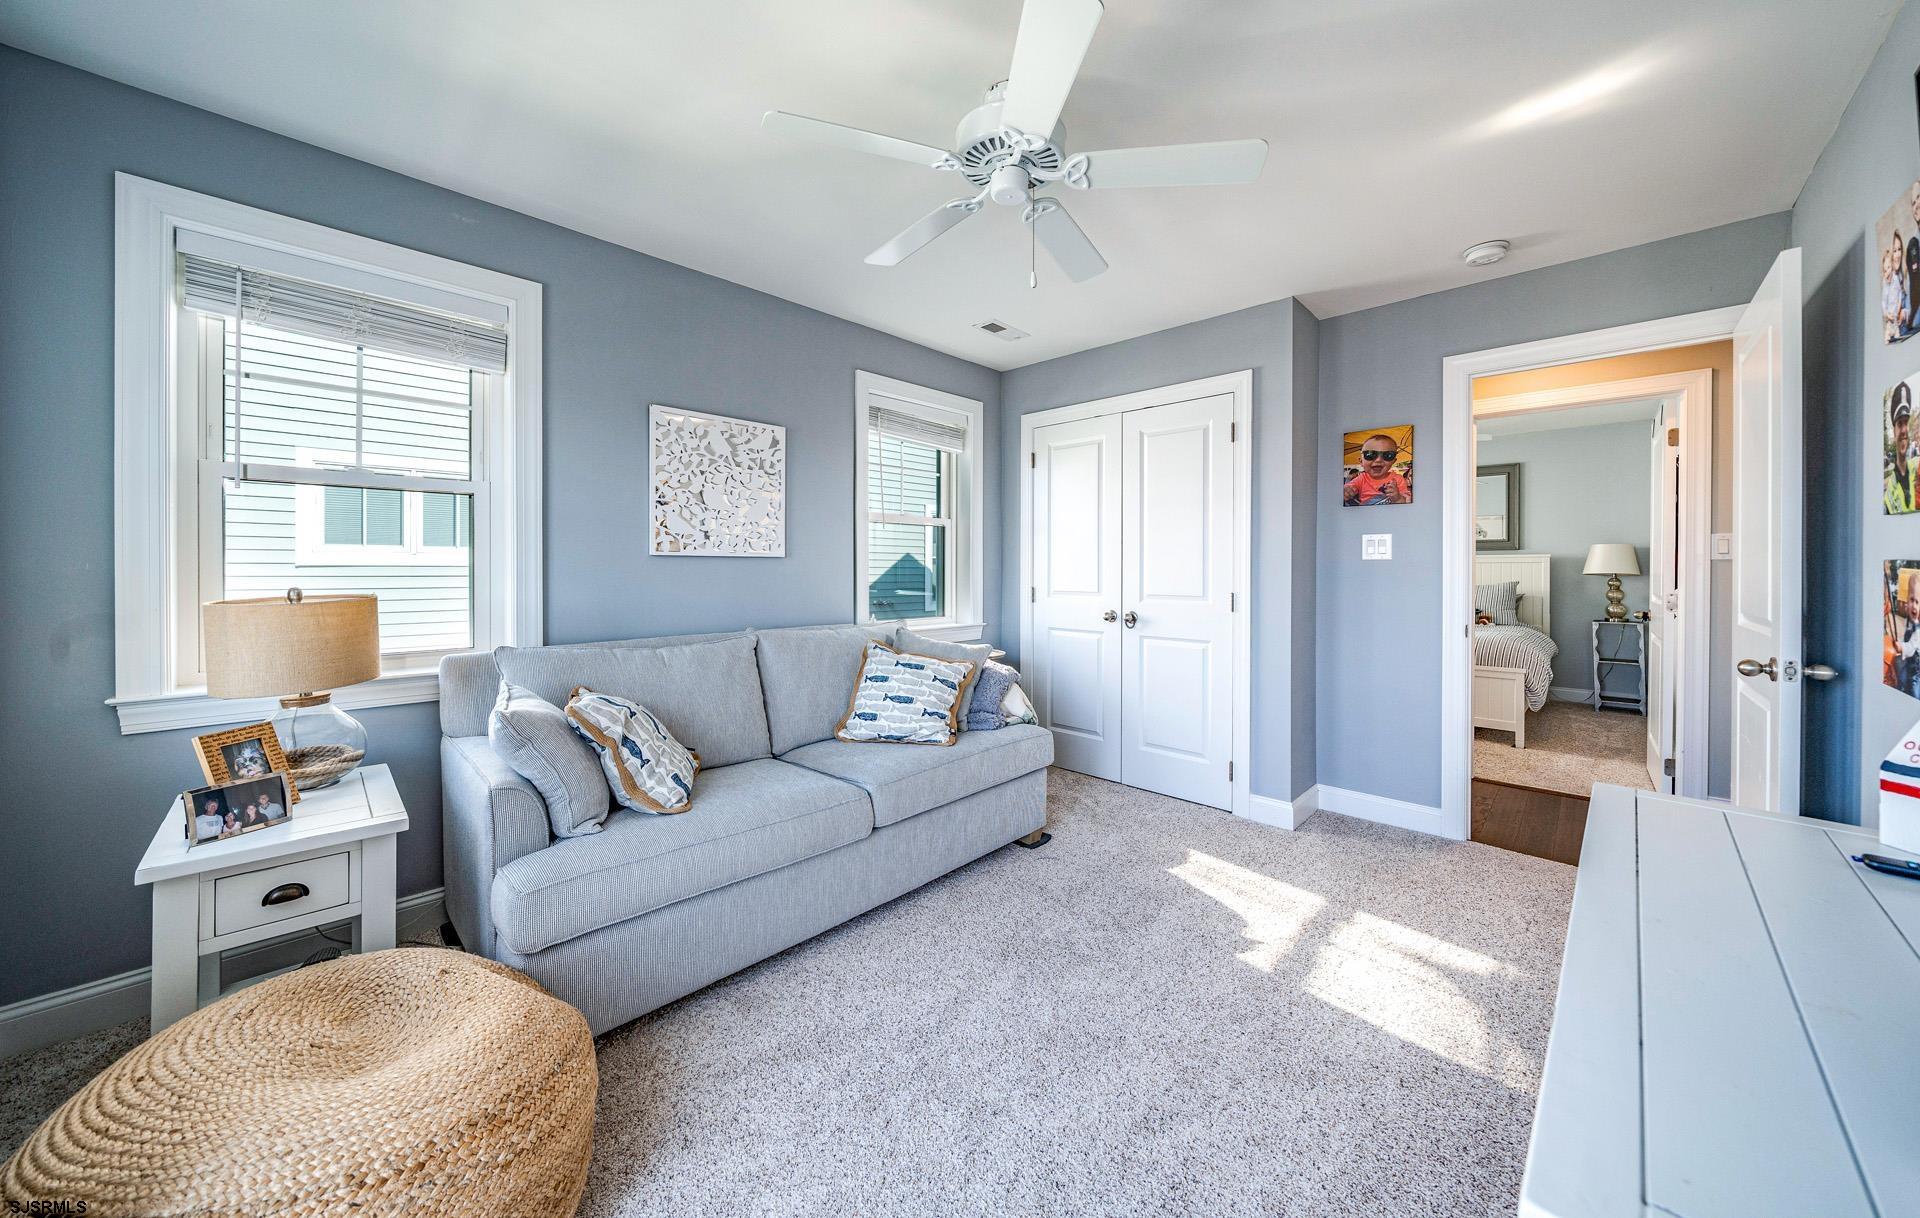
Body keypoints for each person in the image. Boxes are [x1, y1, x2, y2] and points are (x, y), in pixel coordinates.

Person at [1343, 433, 1411, 505]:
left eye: (1388, 455)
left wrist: (1398, 498)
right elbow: (1348, 488)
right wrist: (1347, 491)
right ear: (1361, 462)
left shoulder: (1398, 479)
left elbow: (1406, 502)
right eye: (1370, 454)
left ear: (1393, 461)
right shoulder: (1361, 478)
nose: (1378, 460)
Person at [1888, 384, 1917, 514]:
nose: (1904, 430)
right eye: (1900, 423)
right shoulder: (1890, 489)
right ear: (1894, 432)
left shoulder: (1917, 469)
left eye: (1906, 422)